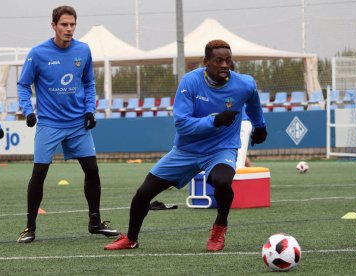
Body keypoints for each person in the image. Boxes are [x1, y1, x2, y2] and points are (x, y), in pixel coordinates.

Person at [104, 39, 267, 251]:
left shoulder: (244, 84)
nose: (225, 65)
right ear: (206, 62)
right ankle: (131, 239)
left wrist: (260, 126)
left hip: (221, 149)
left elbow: (253, 100)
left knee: (223, 181)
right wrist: (216, 120)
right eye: (219, 60)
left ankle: (220, 226)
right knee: (143, 193)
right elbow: (182, 125)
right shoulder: (190, 82)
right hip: (186, 151)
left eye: (228, 60)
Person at [16, 5, 119, 243]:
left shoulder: (83, 50)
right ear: (53, 25)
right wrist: (28, 111)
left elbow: (89, 82)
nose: (69, 29)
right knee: (39, 173)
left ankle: (95, 222)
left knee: (92, 170)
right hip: (50, 123)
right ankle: (29, 227)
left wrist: (89, 110)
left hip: (77, 124)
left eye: (72, 24)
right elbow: (23, 85)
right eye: (64, 24)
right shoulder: (38, 53)